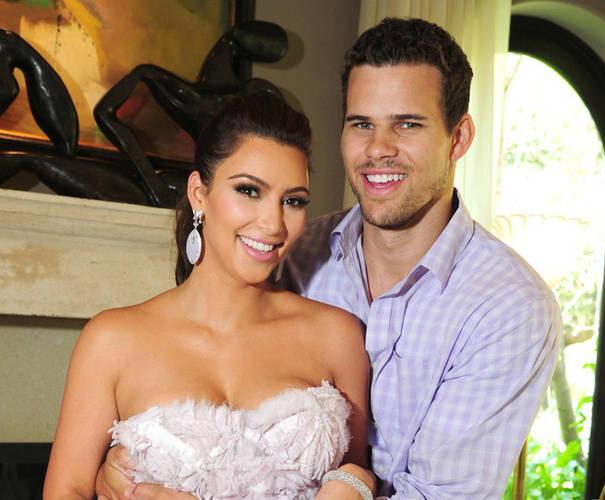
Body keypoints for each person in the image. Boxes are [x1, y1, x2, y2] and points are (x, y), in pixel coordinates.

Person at [97, 17, 561, 499]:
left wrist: (355, 482)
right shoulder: (289, 251)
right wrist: (118, 474)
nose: (378, 149)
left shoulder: (508, 307)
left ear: (459, 138)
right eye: (361, 124)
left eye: (407, 124)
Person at [43, 92, 374, 500]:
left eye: (292, 201)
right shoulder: (110, 340)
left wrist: (357, 482)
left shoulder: (337, 336)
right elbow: (67, 491)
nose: (273, 223)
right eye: (249, 191)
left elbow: (357, 473)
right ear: (199, 193)